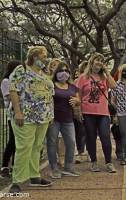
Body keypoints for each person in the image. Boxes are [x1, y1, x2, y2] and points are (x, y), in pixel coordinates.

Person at [9, 46, 54, 193]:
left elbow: (49, 94)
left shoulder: (44, 73)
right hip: (25, 115)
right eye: (43, 55)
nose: (45, 58)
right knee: (24, 147)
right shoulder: (22, 70)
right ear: (34, 56)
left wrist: (50, 114)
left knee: (37, 146)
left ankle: (34, 175)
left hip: (43, 117)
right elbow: (13, 90)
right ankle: (17, 180)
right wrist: (18, 112)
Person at [76, 52, 117, 173]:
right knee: (91, 137)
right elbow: (77, 94)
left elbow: (114, 86)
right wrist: (78, 111)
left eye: (101, 61)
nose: (99, 63)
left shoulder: (104, 77)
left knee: (105, 136)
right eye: (97, 60)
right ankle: (94, 162)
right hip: (88, 111)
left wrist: (107, 72)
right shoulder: (83, 78)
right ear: (91, 62)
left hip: (103, 112)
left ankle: (108, 162)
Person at [46, 62, 80, 178]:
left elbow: (78, 100)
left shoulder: (72, 87)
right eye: (61, 71)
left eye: (66, 71)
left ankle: (68, 167)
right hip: (53, 119)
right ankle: (54, 168)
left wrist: (76, 101)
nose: (64, 73)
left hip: (68, 119)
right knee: (51, 143)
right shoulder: (51, 85)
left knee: (71, 142)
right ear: (56, 73)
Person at [0, 60, 21, 177]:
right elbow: (8, 96)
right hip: (12, 113)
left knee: (19, 141)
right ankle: (4, 166)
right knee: (13, 140)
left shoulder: (18, 81)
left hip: (21, 113)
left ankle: (15, 165)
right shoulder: (6, 81)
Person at [73, 61, 88, 164]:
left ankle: (89, 152)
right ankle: (80, 152)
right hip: (79, 110)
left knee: (90, 133)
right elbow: (75, 96)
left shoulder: (94, 80)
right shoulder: (77, 81)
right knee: (80, 132)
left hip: (91, 110)